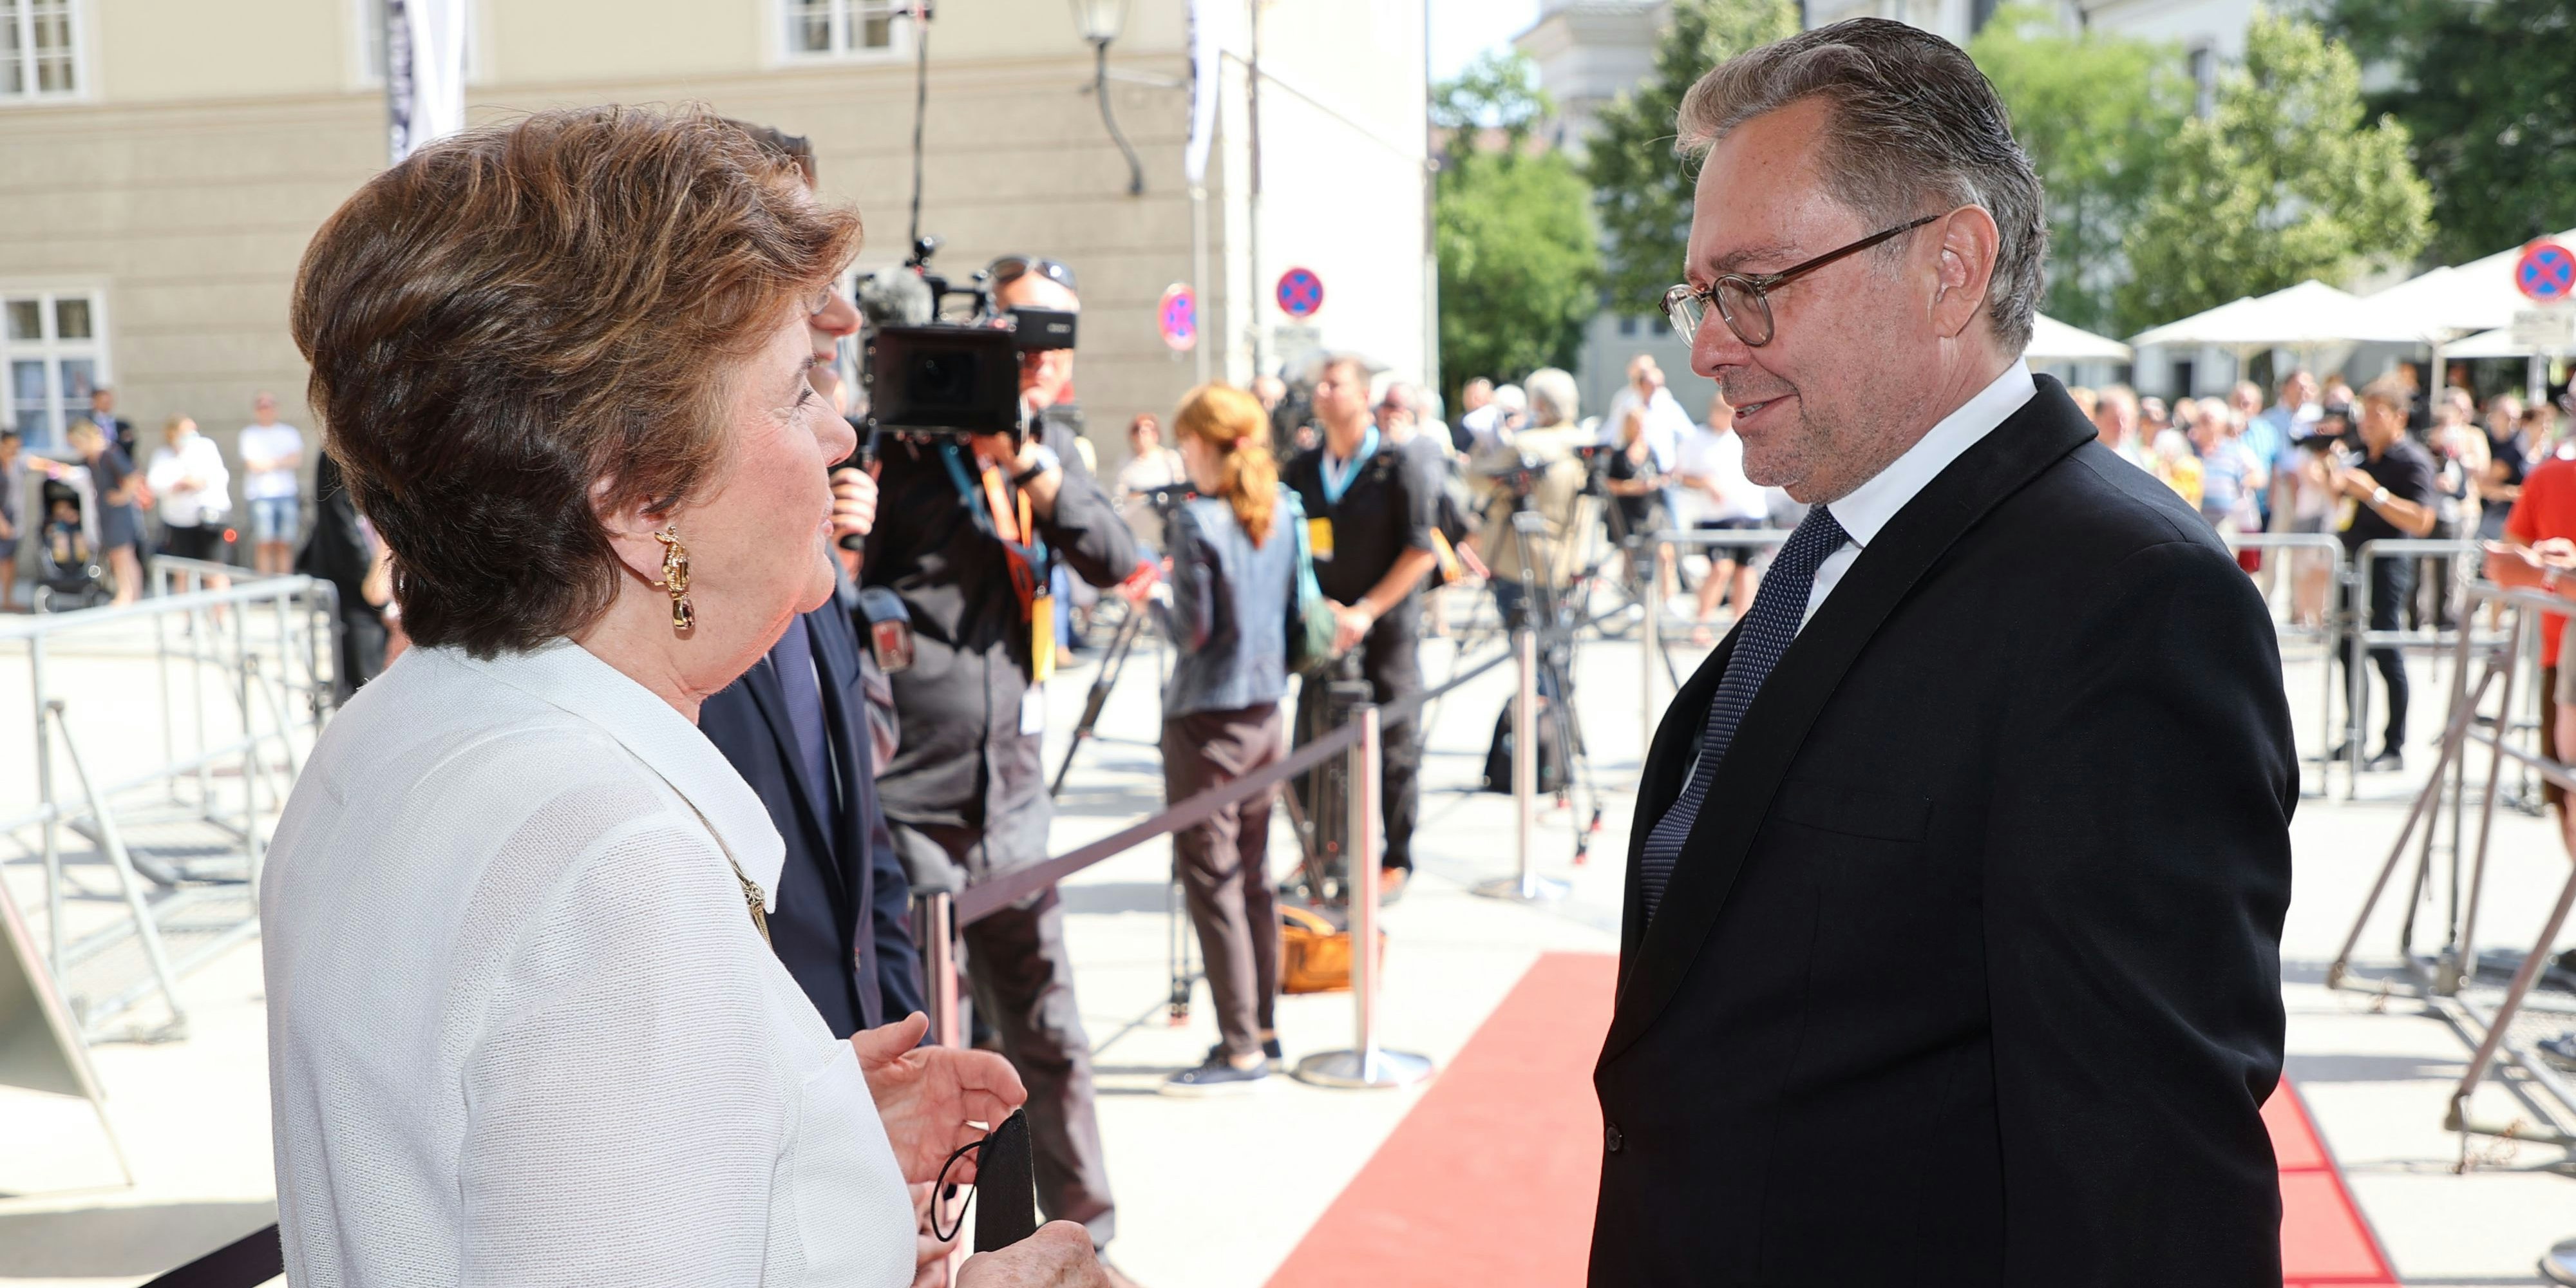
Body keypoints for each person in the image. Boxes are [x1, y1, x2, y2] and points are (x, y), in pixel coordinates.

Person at [263, 107, 1107, 1288]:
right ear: (639, 492)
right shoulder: (617, 864)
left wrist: (797, 1135)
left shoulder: (391, 736)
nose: (842, 427)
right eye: (796, 387)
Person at [1599, 21, 2293, 1284]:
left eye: (1749, 285)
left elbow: (2148, 1192)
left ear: (1949, 267)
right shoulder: (1843, 545)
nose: (1706, 342)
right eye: (1697, 294)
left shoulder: (2125, 602)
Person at [864, 250, 1139, 1269]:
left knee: (1051, 1026)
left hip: (1014, 794)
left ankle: (1087, 1233)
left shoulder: (1044, 447)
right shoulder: (897, 443)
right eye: (1016, 337)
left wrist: (1035, 467)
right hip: (916, 794)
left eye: (1050, 344)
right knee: (941, 1044)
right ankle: (945, 1250)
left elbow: (1118, 559)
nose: (1031, 363)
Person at [1155, 384, 1298, 1095]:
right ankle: (1260, 1026)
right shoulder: (1286, 508)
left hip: (1208, 720)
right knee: (1254, 876)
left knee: (1214, 884)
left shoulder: (1198, 522)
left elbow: (1193, 631)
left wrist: (1152, 595)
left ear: (1209, 443)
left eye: (1187, 441)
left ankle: (1241, 1046)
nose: (1183, 454)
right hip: (1267, 712)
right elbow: (1298, 616)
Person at [1283, 353, 1439, 902]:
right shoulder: (1302, 467)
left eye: (1334, 383)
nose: (1322, 391)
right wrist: (1316, 603)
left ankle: (1395, 858)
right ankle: (1319, 853)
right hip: (1322, 630)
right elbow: (1290, 541)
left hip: (1386, 629)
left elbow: (1422, 551)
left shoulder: (1398, 465)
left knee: (1395, 749)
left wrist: (1366, 611)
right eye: (1318, 383)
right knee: (1310, 742)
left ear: (1363, 396)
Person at [2319, 379, 2439, 771]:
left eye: (2377, 414)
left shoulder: (2412, 460)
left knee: (2387, 651)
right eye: (2364, 413)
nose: (2367, 422)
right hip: (2353, 563)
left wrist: (2374, 493)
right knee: (2348, 649)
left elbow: (2423, 520)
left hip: (2387, 567)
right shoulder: (2360, 457)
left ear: (2399, 417)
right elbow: (2342, 506)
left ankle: (2394, 746)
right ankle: (2354, 735)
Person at [1468, 366, 1592, 634]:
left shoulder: (1524, 444)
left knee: (1524, 646)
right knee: (1558, 642)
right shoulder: (1586, 443)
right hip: (1569, 561)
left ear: (1538, 404)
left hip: (1518, 561)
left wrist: (1485, 442)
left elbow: (1475, 478)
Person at [1668, 390, 1768, 638]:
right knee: (1720, 568)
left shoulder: (1743, 435)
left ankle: (1740, 624)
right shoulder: (1697, 439)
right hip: (1716, 516)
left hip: (1748, 512)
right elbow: (1679, 475)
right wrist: (1705, 483)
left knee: (1745, 570)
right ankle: (1702, 621)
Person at [62, 419, 143, 605]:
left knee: (123, 554)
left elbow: (132, 476)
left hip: (118, 513)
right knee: (119, 555)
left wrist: (123, 496)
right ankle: (129, 593)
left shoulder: (109, 453)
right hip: (106, 513)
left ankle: (128, 594)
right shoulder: (93, 459)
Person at [146, 414, 232, 567]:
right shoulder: (163, 455)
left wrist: (191, 482)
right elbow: (155, 484)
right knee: (183, 569)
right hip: (179, 521)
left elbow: (211, 476)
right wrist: (179, 484)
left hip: (209, 519)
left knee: (214, 568)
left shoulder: (205, 447)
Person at [238, 391, 305, 575]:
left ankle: (285, 584)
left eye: (269, 407)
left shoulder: (288, 433)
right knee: (264, 542)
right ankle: (265, 585)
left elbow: (295, 460)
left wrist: (269, 463)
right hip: (261, 495)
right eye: (262, 407)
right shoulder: (250, 435)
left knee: (285, 542)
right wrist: (280, 462)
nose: (266, 411)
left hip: (285, 494)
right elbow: (253, 465)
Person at [1113, 412, 1186, 551]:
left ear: (1156, 434)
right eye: (1138, 431)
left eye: (1148, 431)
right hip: (1137, 526)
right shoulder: (1126, 463)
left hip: (1165, 523)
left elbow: (1179, 491)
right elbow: (1119, 497)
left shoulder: (1170, 459)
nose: (1142, 436)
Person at [88, 386, 138, 473]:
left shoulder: (122, 425)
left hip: (120, 465)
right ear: (95, 402)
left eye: (109, 402)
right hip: (98, 467)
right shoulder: (88, 424)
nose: (107, 404)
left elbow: (130, 445)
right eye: (103, 402)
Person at [0, 430, 23, 610]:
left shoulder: (16, 465)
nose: (15, 450)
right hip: (2, 519)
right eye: (11, 447)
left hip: (12, 517)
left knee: (9, 560)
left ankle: (7, 600)